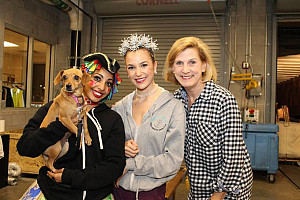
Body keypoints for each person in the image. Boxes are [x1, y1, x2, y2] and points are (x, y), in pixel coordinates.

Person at [17, 52, 126, 200]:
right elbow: (25, 147)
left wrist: (70, 177)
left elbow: (115, 165)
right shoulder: (54, 106)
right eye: (97, 78)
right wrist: (60, 126)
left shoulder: (112, 119)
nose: (101, 87)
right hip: (52, 193)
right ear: (84, 79)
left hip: (97, 196)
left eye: (108, 83)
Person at [163, 36, 253, 200]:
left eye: (192, 62)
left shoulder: (223, 100)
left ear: (204, 66)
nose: (185, 70)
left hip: (229, 191)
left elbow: (233, 157)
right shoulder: (175, 101)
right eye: (179, 63)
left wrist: (217, 196)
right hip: (198, 188)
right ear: (172, 69)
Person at [112, 33, 186, 200]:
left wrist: (130, 164)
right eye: (131, 67)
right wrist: (120, 148)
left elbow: (172, 161)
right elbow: (107, 148)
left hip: (152, 193)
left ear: (155, 66)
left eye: (144, 65)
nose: (138, 73)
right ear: (126, 71)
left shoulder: (173, 107)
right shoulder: (120, 107)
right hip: (118, 191)